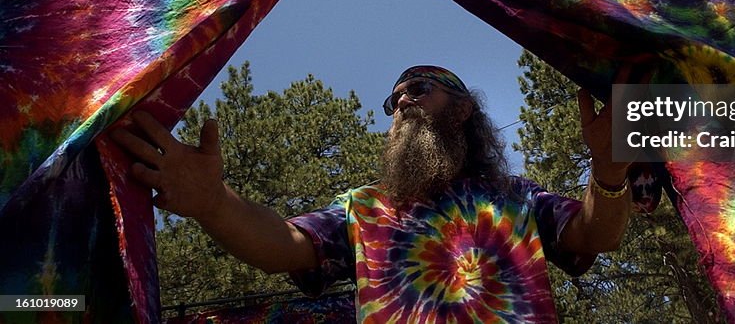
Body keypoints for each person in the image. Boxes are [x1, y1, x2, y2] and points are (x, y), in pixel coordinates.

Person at [112, 65, 634, 322]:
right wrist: (213, 204)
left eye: (420, 87)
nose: (402, 99)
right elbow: (284, 246)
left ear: (462, 109)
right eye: (393, 99)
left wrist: (609, 173)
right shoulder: (364, 208)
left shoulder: (514, 198)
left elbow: (595, 233)